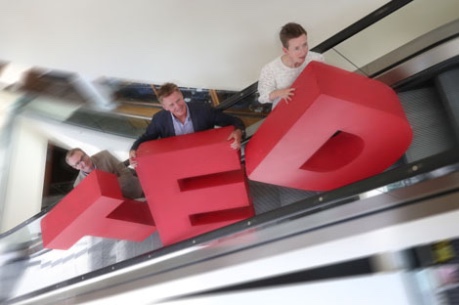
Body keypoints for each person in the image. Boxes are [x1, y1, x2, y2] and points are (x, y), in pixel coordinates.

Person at [129, 82, 245, 167]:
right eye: (171, 105)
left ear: (182, 96)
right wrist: (134, 149)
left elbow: (234, 121)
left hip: (206, 158)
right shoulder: (159, 119)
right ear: (165, 107)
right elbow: (147, 137)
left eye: (178, 100)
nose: (177, 106)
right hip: (179, 163)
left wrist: (238, 131)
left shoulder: (203, 110)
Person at [258, 22, 325, 109]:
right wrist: (279, 93)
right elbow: (262, 98)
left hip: (313, 107)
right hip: (286, 111)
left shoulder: (317, 59)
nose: (303, 52)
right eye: (296, 48)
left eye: (305, 45)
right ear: (285, 50)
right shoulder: (270, 69)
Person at [66, 148, 144, 199]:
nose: (83, 162)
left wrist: (107, 186)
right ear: (75, 168)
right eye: (78, 163)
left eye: (83, 157)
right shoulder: (79, 185)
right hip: (119, 206)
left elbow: (127, 175)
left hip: (135, 190)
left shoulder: (105, 156)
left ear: (86, 154)